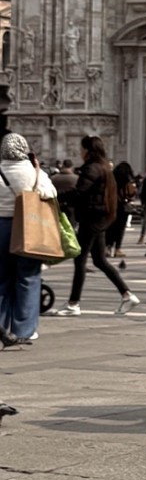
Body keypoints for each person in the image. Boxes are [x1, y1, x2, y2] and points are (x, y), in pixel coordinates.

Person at [63, 136, 140, 315]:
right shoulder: (104, 167)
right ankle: (127, 295)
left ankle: (73, 304)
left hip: (92, 217)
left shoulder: (92, 168)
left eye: (82, 149)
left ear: (88, 151)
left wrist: (54, 196)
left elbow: (79, 192)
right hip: (100, 217)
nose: (80, 152)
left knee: (80, 260)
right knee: (99, 260)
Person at [0, 133, 58, 347]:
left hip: (1, 227)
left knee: (2, 279)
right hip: (28, 227)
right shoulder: (34, 172)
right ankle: (24, 329)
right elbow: (51, 194)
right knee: (28, 278)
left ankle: (2, 327)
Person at [107, 159, 137, 268]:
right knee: (120, 228)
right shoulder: (128, 181)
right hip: (123, 206)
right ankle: (118, 249)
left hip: (113, 205)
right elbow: (132, 193)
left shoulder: (112, 179)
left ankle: (108, 247)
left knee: (111, 226)